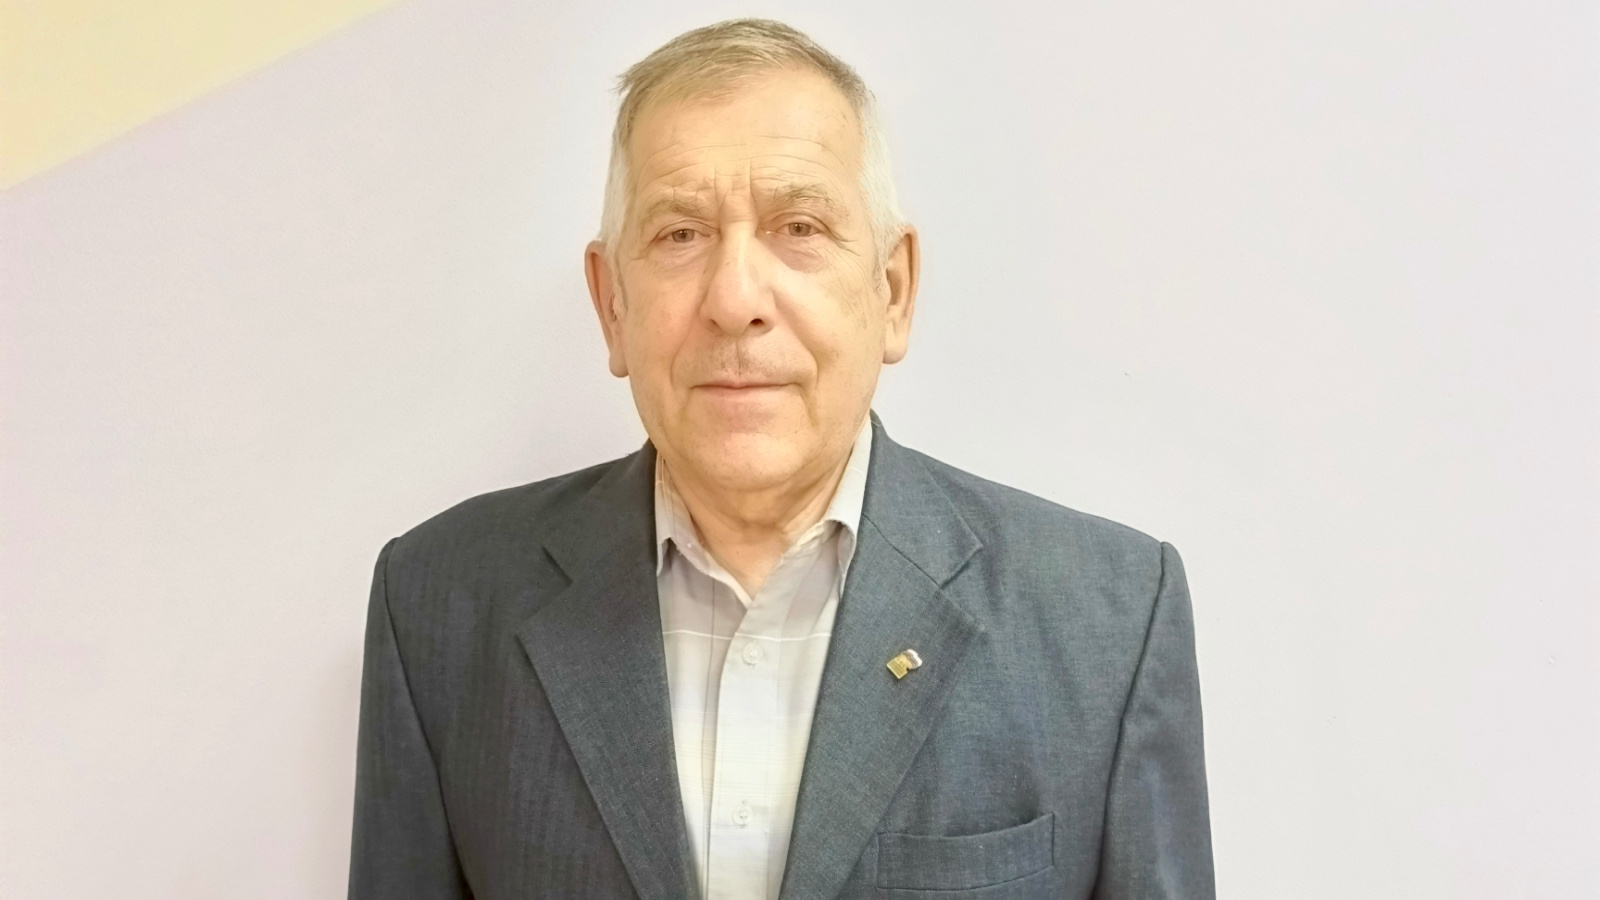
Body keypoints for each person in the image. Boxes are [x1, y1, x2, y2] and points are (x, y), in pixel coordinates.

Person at [347, 18, 1214, 900]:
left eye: (799, 226)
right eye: (680, 234)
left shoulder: (1108, 620)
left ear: (893, 290)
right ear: (611, 305)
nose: (734, 300)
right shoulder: (439, 604)